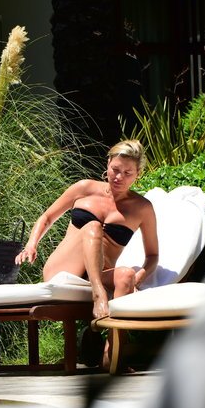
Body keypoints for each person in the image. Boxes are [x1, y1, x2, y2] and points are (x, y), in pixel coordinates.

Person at [15, 138, 159, 328]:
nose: (119, 177)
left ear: (138, 174)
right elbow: (47, 217)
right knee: (93, 226)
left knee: (126, 274)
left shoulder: (142, 208)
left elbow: (153, 255)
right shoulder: (84, 188)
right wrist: (31, 245)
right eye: (115, 169)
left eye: (127, 173)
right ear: (108, 163)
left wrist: (137, 278)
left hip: (102, 271)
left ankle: (113, 342)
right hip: (64, 268)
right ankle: (98, 294)